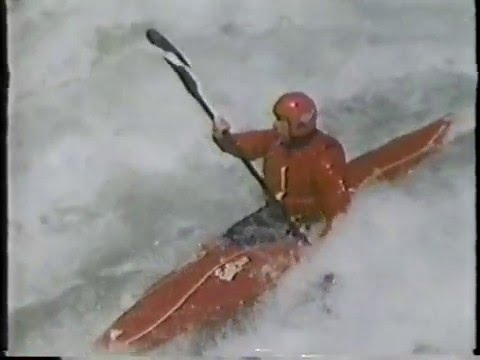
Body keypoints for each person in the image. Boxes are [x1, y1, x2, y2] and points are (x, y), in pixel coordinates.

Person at [212, 92, 351, 243]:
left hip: (306, 224)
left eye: (281, 121)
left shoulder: (325, 155)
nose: (275, 125)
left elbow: (336, 205)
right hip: (276, 215)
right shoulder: (276, 140)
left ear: (299, 125)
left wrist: (326, 240)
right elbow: (243, 146)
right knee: (228, 241)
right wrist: (224, 137)